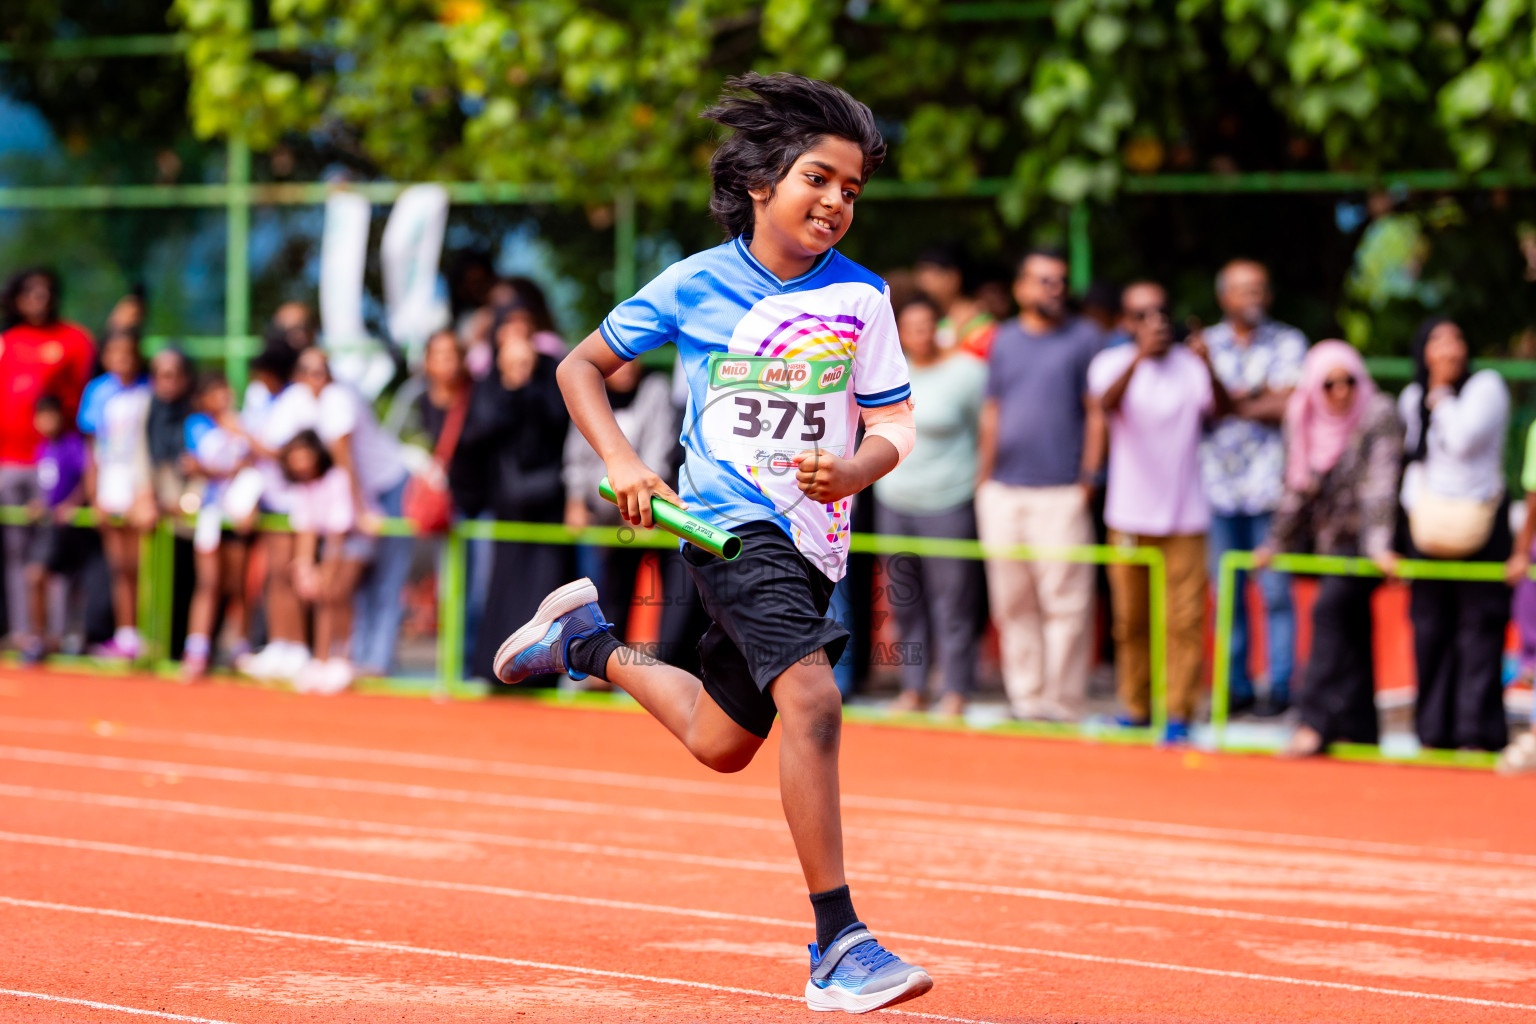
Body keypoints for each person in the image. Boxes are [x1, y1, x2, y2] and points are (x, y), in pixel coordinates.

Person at [491, 73, 932, 1013]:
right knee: (812, 701)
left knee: (723, 739)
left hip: (818, 546)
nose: (837, 202)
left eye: (853, 190)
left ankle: (587, 644)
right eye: (820, 178)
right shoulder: (696, 283)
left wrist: (855, 470)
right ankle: (838, 943)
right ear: (764, 181)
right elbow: (581, 366)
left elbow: (894, 423)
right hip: (729, 529)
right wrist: (622, 462)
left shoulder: (864, 299)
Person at [1088, 281, 1233, 743]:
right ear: (1127, 322)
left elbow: (1224, 411)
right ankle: (1135, 706)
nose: (1154, 322)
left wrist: (1209, 365)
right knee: (1130, 620)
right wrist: (1138, 358)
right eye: (1141, 314)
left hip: (1186, 515)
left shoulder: (1192, 366)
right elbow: (1105, 405)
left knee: (1185, 621)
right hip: (1128, 515)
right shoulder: (1111, 362)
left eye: (1161, 312)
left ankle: (1179, 714)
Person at [1255, 342, 1402, 757]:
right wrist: (1275, 542)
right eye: (1330, 383)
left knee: (1329, 612)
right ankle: (1359, 730)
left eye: (1349, 380)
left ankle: (1313, 720)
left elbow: (1380, 485)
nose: (1341, 391)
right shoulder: (1302, 413)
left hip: (1370, 541)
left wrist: (1378, 547)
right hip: (1330, 542)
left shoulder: (1378, 413)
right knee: (1352, 628)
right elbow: (1296, 487)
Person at [975, 249, 1104, 723]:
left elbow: (1096, 412)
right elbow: (993, 411)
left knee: (1066, 603)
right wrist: (983, 479)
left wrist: (1087, 481)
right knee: (1012, 603)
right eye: (1044, 281)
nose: (1054, 289)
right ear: (1021, 288)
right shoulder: (1004, 340)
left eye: (1060, 281)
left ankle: (1063, 702)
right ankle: (1027, 700)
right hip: (1003, 492)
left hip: (1061, 492)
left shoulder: (1086, 338)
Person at [1199, 260, 1307, 717]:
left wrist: (1231, 400)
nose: (1254, 297)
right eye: (1244, 290)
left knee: (1277, 592)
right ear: (1225, 297)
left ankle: (1280, 687)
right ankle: (1234, 687)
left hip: (1270, 489)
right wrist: (1257, 397)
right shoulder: (1204, 345)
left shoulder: (1289, 341)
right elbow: (1203, 407)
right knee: (1228, 594)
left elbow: (1290, 404)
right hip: (1217, 491)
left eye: (1260, 288)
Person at [1398, 317, 1511, 752]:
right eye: (1437, 340)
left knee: (1478, 630)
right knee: (1430, 628)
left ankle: (1475, 733)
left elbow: (1463, 441)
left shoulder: (1486, 387)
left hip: (1481, 523)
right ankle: (1433, 732)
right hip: (1427, 527)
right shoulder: (1411, 397)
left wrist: (1442, 393)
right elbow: (1414, 460)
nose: (1449, 348)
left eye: (1457, 338)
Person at [873, 294, 985, 716]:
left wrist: (979, 482)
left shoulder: (968, 373)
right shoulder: (887, 372)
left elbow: (985, 429)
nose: (918, 333)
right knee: (904, 600)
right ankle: (914, 689)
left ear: (939, 327)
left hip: (950, 500)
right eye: (909, 326)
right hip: (894, 500)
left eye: (925, 324)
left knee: (953, 601)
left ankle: (955, 690)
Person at [458, 309, 572, 683]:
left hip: (549, 498)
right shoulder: (490, 382)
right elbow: (479, 433)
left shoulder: (553, 375)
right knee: (498, 588)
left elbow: (560, 423)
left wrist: (529, 385)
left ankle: (544, 671)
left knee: (547, 586)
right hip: (505, 502)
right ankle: (496, 669)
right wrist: (511, 384)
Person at [0, 267, 95, 644]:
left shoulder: (74, 340)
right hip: (9, 463)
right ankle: (26, 631)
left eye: (45, 292)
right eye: (29, 292)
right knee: (15, 552)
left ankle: (59, 632)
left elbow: (85, 402)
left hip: (54, 464)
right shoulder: (7, 340)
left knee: (55, 549)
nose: (37, 300)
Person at [562, 357, 676, 648]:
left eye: (632, 361)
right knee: (605, 592)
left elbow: (659, 448)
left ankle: (668, 662)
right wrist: (576, 499)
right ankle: (600, 660)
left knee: (668, 596)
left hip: (648, 510)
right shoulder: (591, 391)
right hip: (604, 514)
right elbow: (577, 451)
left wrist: (639, 501)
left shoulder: (655, 390)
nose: (626, 368)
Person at [181, 372, 256, 679]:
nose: (222, 396)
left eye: (224, 389)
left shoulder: (242, 423)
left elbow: (253, 459)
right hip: (212, 513)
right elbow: (201, 464)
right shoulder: (197, 426)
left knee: (238, 585)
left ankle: (238, 647)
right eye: (214, 391)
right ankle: (197, 650)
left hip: (239, 513)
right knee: (209, 583)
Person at [85, 329, 155, 659]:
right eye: (115, 354)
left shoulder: (148, 391)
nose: (122, 361)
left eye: (128, 354)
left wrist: (146, 491)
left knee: (144, 564)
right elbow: (92, 447)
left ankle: (149, 633)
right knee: (119, 565)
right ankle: (126, 634)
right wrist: (94, 493)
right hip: (110, 483)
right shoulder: (98, 392)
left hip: (140, 481)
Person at [281, 429, 364, 695]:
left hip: (353, 542)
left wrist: (328, 571)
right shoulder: (303, 487)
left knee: (336, 594)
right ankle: (320, 660)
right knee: (320, 596)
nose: (301, 464)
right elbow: (306, 529)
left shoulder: (337, 479)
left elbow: (340, 530)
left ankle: (342, 659)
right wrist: (304, 567)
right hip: (328, 545)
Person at [19, 395, 89, 664]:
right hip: (48, 526)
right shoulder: (43, 448)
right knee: (36, 576)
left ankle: (70, 636)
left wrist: (71, 505)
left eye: (51, 415)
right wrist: (39, 504)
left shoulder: (73, 446)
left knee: (72, 583)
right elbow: (47, 486)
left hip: (71, 528)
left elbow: (85, 479)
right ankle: (38, 637)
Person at [912, 245, 995, 359]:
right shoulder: (934, 317)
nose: (922, 283)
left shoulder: (979, 321)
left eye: (930, 274)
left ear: (953, 278)